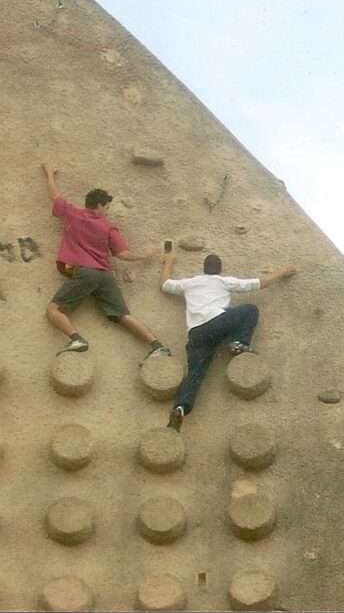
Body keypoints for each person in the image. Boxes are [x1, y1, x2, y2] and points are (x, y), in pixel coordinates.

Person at [42, 164, 171, 360]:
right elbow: (123, 254)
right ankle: (157, 346)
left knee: (53, 310)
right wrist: (146, 254)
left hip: (85, 272)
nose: (108, 212)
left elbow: (55, 196)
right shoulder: (109, 228)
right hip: (105, 275)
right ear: (100, 205)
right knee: (122, 315)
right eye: (107, 207)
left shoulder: (73, 214)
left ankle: (76, 339)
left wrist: (49, 173)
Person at [160, 249, 296, 431]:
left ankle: (180, 408)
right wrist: (283, 271)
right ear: (219, 270)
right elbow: (260, 283)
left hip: (196, 335)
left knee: (195, 374)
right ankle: (239, 344)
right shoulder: (223, 282)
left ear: (204, 268)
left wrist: (169, 261)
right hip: (218, 323)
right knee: (250, 310)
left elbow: (165, 284)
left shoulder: (190, 283)